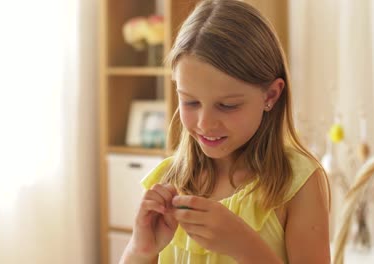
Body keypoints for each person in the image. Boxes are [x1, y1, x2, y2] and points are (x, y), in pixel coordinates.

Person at [120, 0, 331, 263]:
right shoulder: (166, 181)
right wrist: (140, 250)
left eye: (227, 105)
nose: (205, 123)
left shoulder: (297, 182)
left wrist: (245, 246)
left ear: (271, 95)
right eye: (191, 102)